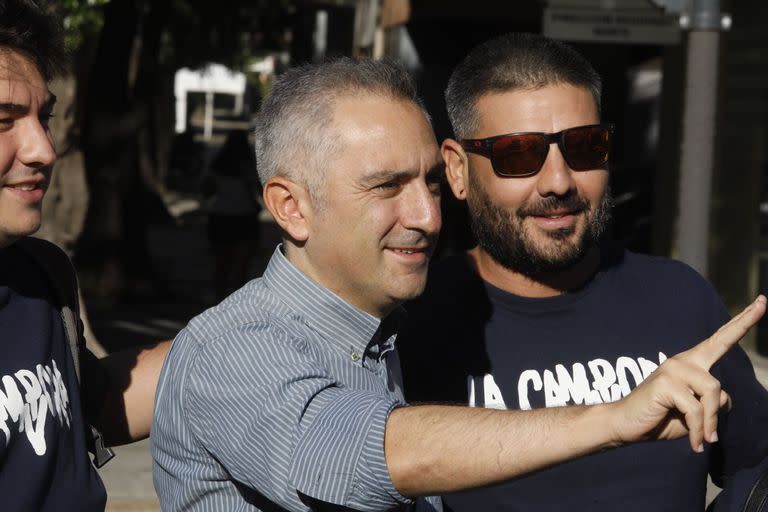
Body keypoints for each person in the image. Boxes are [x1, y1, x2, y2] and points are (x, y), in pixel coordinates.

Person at [152, 56, 765, 512]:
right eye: (387, 186)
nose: (426, 216)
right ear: (291, 207)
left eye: (428, 186)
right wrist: (615, 418)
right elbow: (365, 454)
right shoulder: (233, 347)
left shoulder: (381, 329)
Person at [398, 32, 768, 511]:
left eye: (586, 147)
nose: (558, 182)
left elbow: (756, 466)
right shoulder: (413, 324)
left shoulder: (679, 297)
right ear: (457, 170)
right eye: (518, 154)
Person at [0, 1, 169, 509]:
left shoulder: (41, 275)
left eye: (44, 117)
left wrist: (264, 325)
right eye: (4, 120)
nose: (43, 150)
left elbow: (86, 402)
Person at [202, 129, 262, 301]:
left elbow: (207, 191)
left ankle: (219, 300)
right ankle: (237, 302)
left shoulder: (216, 165)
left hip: (220, 216)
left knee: (221, 264)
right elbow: (259, 191)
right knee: (241, 266)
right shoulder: (250, 166)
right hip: (245, 217)